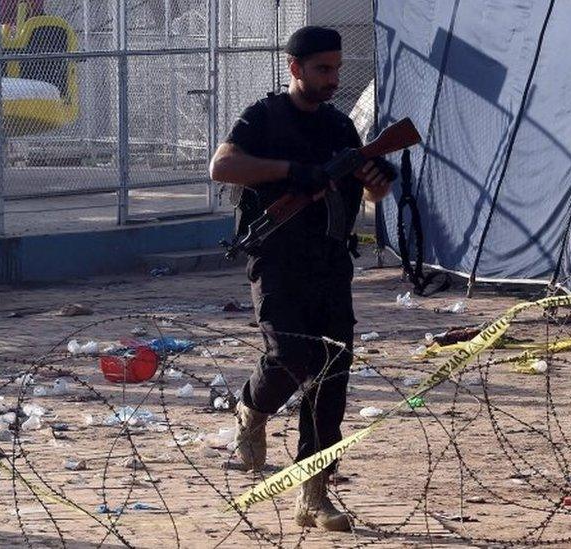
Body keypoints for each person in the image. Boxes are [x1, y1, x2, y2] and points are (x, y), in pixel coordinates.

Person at [208, 26, 395, 532]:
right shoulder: (264, 117)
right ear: (295, 68)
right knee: (289, 356)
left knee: (332, 370)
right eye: (322, 69)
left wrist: (377, 181)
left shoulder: (339, 128)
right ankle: (252, 408)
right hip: (276, 258)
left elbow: (370, 195)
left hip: (331, 261)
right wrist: (292, 170)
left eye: (336, 68)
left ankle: (314, 493)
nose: (333, 78)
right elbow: (221, 166)